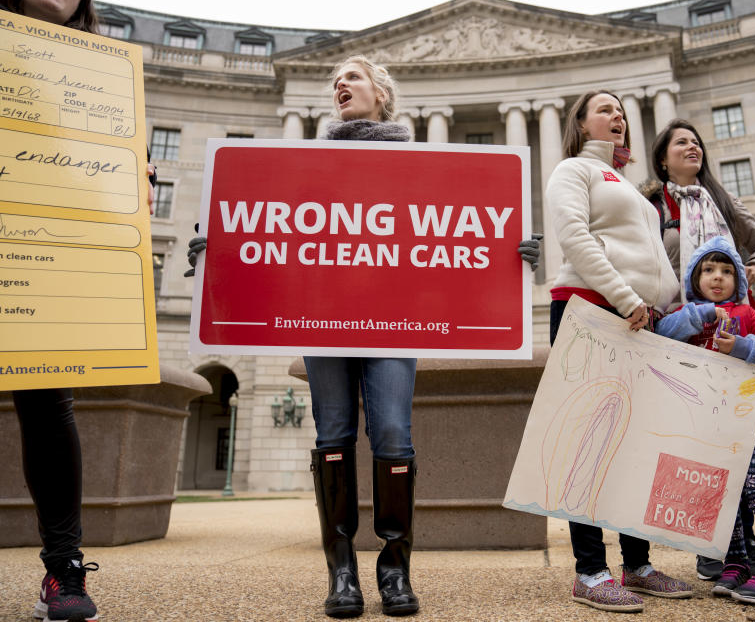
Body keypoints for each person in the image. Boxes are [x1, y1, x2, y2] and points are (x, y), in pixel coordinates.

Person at [185, 55, 540, 617]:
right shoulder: (306, 162)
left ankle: (394, 569)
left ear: (382, 91)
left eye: (352, 76)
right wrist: (218, 249)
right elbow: (272, 223)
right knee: (333, 434)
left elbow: (459, 232)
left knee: (394, 435)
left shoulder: (420, 163)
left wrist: (514, 255)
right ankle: (342, 571)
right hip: (321, 316)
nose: (339, 83)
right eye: (336, 79)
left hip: (395, 321)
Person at [1, 0, 156, 620]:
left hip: (43, 261)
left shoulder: (98, 74)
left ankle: (64, 570)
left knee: (47, 406)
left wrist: (134, 175)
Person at [545, 89, 688, 613]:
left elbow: (653, 258)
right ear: (581, 125)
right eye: (605, 110)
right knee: (590, 442)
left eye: (622, 112)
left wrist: (666, 306)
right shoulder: (573, 171)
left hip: (641, 320)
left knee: (635, 444)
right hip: (590, 309)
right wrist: (628, 298)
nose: (619, 118)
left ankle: (637, 564)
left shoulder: (628, 185)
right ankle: (590, 570)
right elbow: (574, 238)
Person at [655, 236, 755, 605]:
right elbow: (661, 334)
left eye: (726, 271)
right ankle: (735, 563)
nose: (717, 277)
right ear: (694, 279)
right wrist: (700, 314)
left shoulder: (746, 314)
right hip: (707, 423)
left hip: (750, 419)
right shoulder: (688, 316)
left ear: (738, 280)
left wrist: (741, 346)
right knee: (723, 496)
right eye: (708, 270)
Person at [649, 120, 755, 297]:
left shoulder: (724, 201)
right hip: (675, 318)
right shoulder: (651, 206)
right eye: (682, 142)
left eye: (696, 143)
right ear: (662, 158)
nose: (693, 147)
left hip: (729, 317)